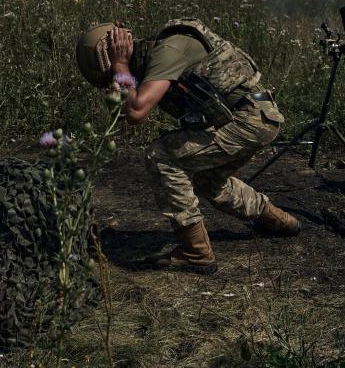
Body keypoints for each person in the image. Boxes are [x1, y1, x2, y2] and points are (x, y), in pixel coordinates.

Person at [76, 18, 301, 275]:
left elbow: (136, 111)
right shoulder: (157, 57)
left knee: (161, 155)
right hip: (249, 119)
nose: (115, 82)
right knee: (209, 182)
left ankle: (196, 252)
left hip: (249, 119)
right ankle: (279, 221)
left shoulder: (166, 51)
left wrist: (119, 64)